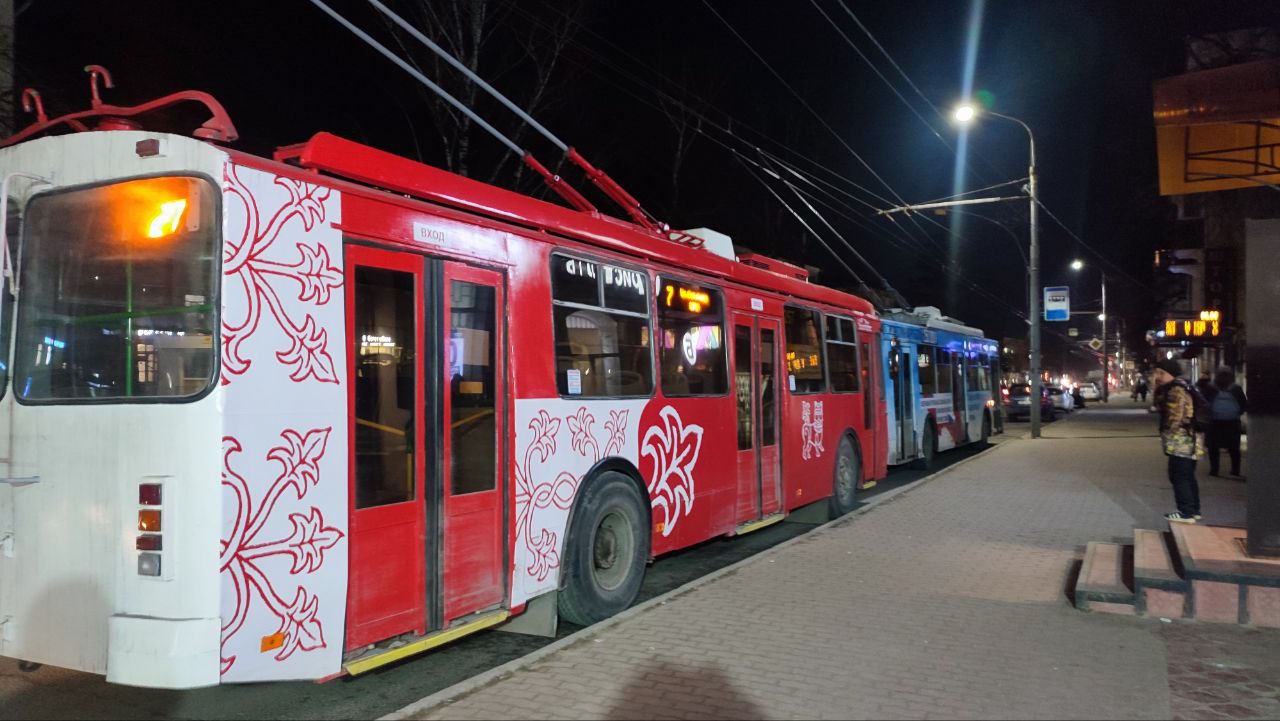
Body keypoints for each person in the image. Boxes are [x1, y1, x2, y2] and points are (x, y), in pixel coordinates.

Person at [1152, 359, 1200, 523]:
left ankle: (1185, 512)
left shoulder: (1175, 390)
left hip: (1181, 441)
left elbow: (1175, 417)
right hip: (1189, 440)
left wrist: (1168, 433)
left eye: (1160, 373)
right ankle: (1194, 510)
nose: (1157, 376)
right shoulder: (1183, 386)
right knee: (1187, 475)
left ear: (1168, 373)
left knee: (1178, 475)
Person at [1203, 366, 1248, 479]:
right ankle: (1235, 470)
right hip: (1232, 422)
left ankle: (1214, 470)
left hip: (1214, 421)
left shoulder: (1210, 387)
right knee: (1234, 448)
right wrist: (1237, 413)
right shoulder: (1236, 388)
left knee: (1214, 447)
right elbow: (1244, 404)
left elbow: (1204, 403)